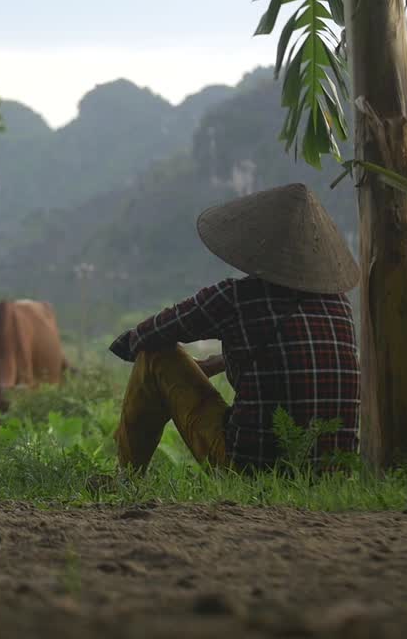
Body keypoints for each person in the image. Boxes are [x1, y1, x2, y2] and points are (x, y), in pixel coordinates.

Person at [108, 183, 361, 474]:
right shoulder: (339, 305)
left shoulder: (236, 297)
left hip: (251, 469)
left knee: (154, 355)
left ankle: (126, 476)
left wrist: (145, 358)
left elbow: (147, 335)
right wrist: (215, 363)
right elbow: (290, 356)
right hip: (332, 471)